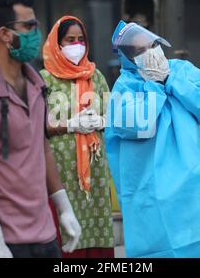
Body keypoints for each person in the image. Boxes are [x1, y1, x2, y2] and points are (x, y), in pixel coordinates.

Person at [0, 0, 81, 258]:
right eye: (29, 26)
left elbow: (41, 147)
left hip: (44, 237)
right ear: (5, 35)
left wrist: (63, 206)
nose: (37, 33)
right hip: (0, 242)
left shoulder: (37, 85)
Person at [105, 21, 200, 258]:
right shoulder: (124, 88)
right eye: (140, 51)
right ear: (128, 59)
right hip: (150, 192)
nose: (150, 53)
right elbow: (138, 125)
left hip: (193, 186)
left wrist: (170, 81)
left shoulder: (181, 70)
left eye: (153, 45)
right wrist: (155, 87)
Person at [40, 16, 114, 258]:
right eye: (70, 40)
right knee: (65, 225)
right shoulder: (44, 79)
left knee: (97, 224)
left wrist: (101, 122)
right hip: (59, 168)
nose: (76, 45)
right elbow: (37, 124)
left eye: (81, 39)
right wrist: (69, 125)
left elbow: (113, 116)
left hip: (96, 170)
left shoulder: (96, 76)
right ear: (57, 43)